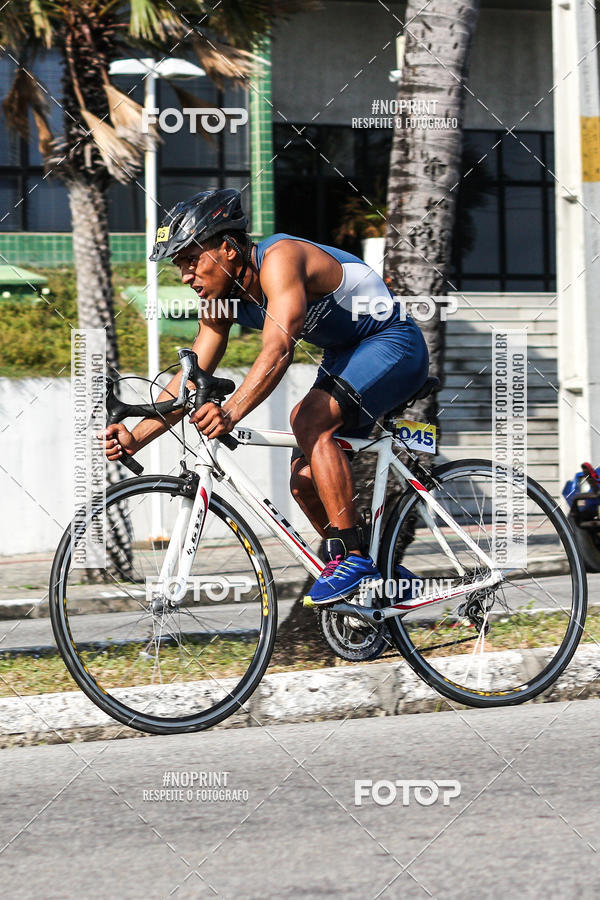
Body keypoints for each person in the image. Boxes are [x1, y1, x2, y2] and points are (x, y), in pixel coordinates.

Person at [100, 189, 429, 606]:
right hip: (345, 356)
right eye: (178, 265)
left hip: (393, 343)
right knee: (306, 483)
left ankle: (353, 558)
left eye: (191, 260)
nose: (185, 275)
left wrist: (231, 412)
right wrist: (136, 437)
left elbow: (278, 350)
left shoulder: (281, 260)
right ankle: (383, 576)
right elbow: (192, 377)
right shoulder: (221, 300)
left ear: (228, 248)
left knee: (308, 421)